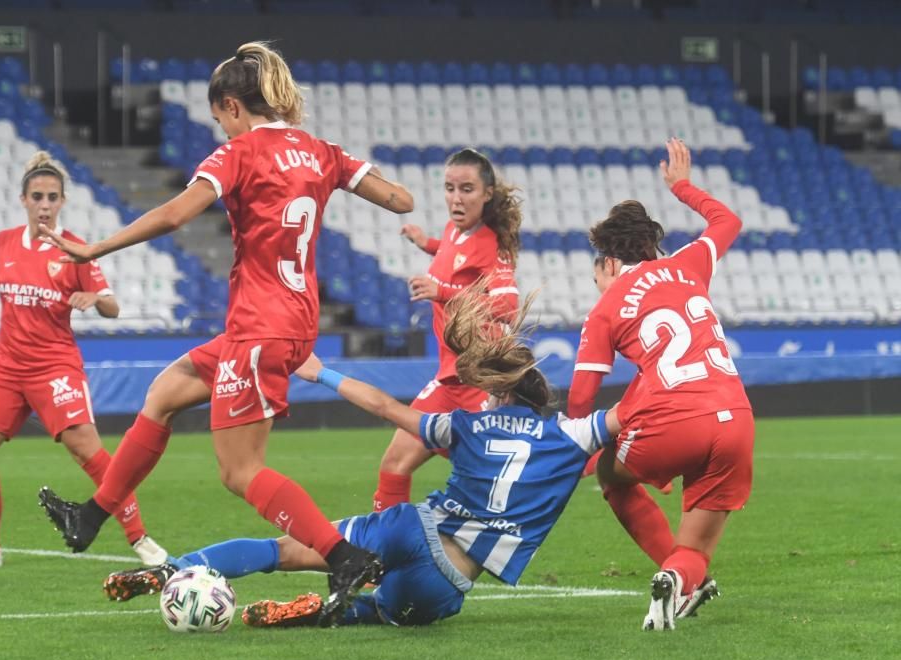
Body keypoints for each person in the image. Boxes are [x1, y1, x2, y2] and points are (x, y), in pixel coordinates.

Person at [34, 42, 414, 624]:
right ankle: (90, 516)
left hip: (260, 327)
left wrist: (95, 247)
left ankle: (342, 557)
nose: (220, 126)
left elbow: (176, 214)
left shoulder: (238, 153)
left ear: (233, 106)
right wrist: (342, 177)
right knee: (164, 392)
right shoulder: (321, 152)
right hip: (287, 322)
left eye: (219, 117)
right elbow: (399, 199)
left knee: (240, 472)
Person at [100, 287, 620, 628]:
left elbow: (384, 405)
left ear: (503, 394)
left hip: (410, 529)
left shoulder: (467, 424)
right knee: (387, 611)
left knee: (281, 550)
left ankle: (173, 570)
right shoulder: (572, 437)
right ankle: (324, 614)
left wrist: (321, 374)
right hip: (446, 583)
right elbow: (628, 415)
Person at [0, 151, 166, 568]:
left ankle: (141, 540)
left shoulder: (76, 249)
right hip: (8, 367)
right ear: (23, 200)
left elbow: (113, 307)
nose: (45, 204)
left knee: (87, 451)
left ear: (62, 202)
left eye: (52, 197)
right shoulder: (3, 244)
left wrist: (94, 298)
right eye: (37, 196)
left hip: (54, 367)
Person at [567, 139, 754, 631]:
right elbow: (729, 223)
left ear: (608, 262)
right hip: (736, 419)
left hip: (673, 423)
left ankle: (672, 574)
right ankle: (680, 579)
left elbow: (583, 399)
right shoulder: (690, 265)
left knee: (612, 476)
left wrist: (574, 453)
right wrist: (682, 186)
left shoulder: (606, 308)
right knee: (694, 550)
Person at [374, 148, 521, 511]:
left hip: (479, 379)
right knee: (394, 466)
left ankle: (609, 465)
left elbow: (508, 306)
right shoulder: (454, 232)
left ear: (487, 194)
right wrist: (426, 243)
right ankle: (384, 555)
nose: (456, 198)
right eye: (450, 188)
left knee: (508, 477)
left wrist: (442, 293)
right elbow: (453, 256)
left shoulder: (494, 245)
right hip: (449, 378)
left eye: (467, 189)